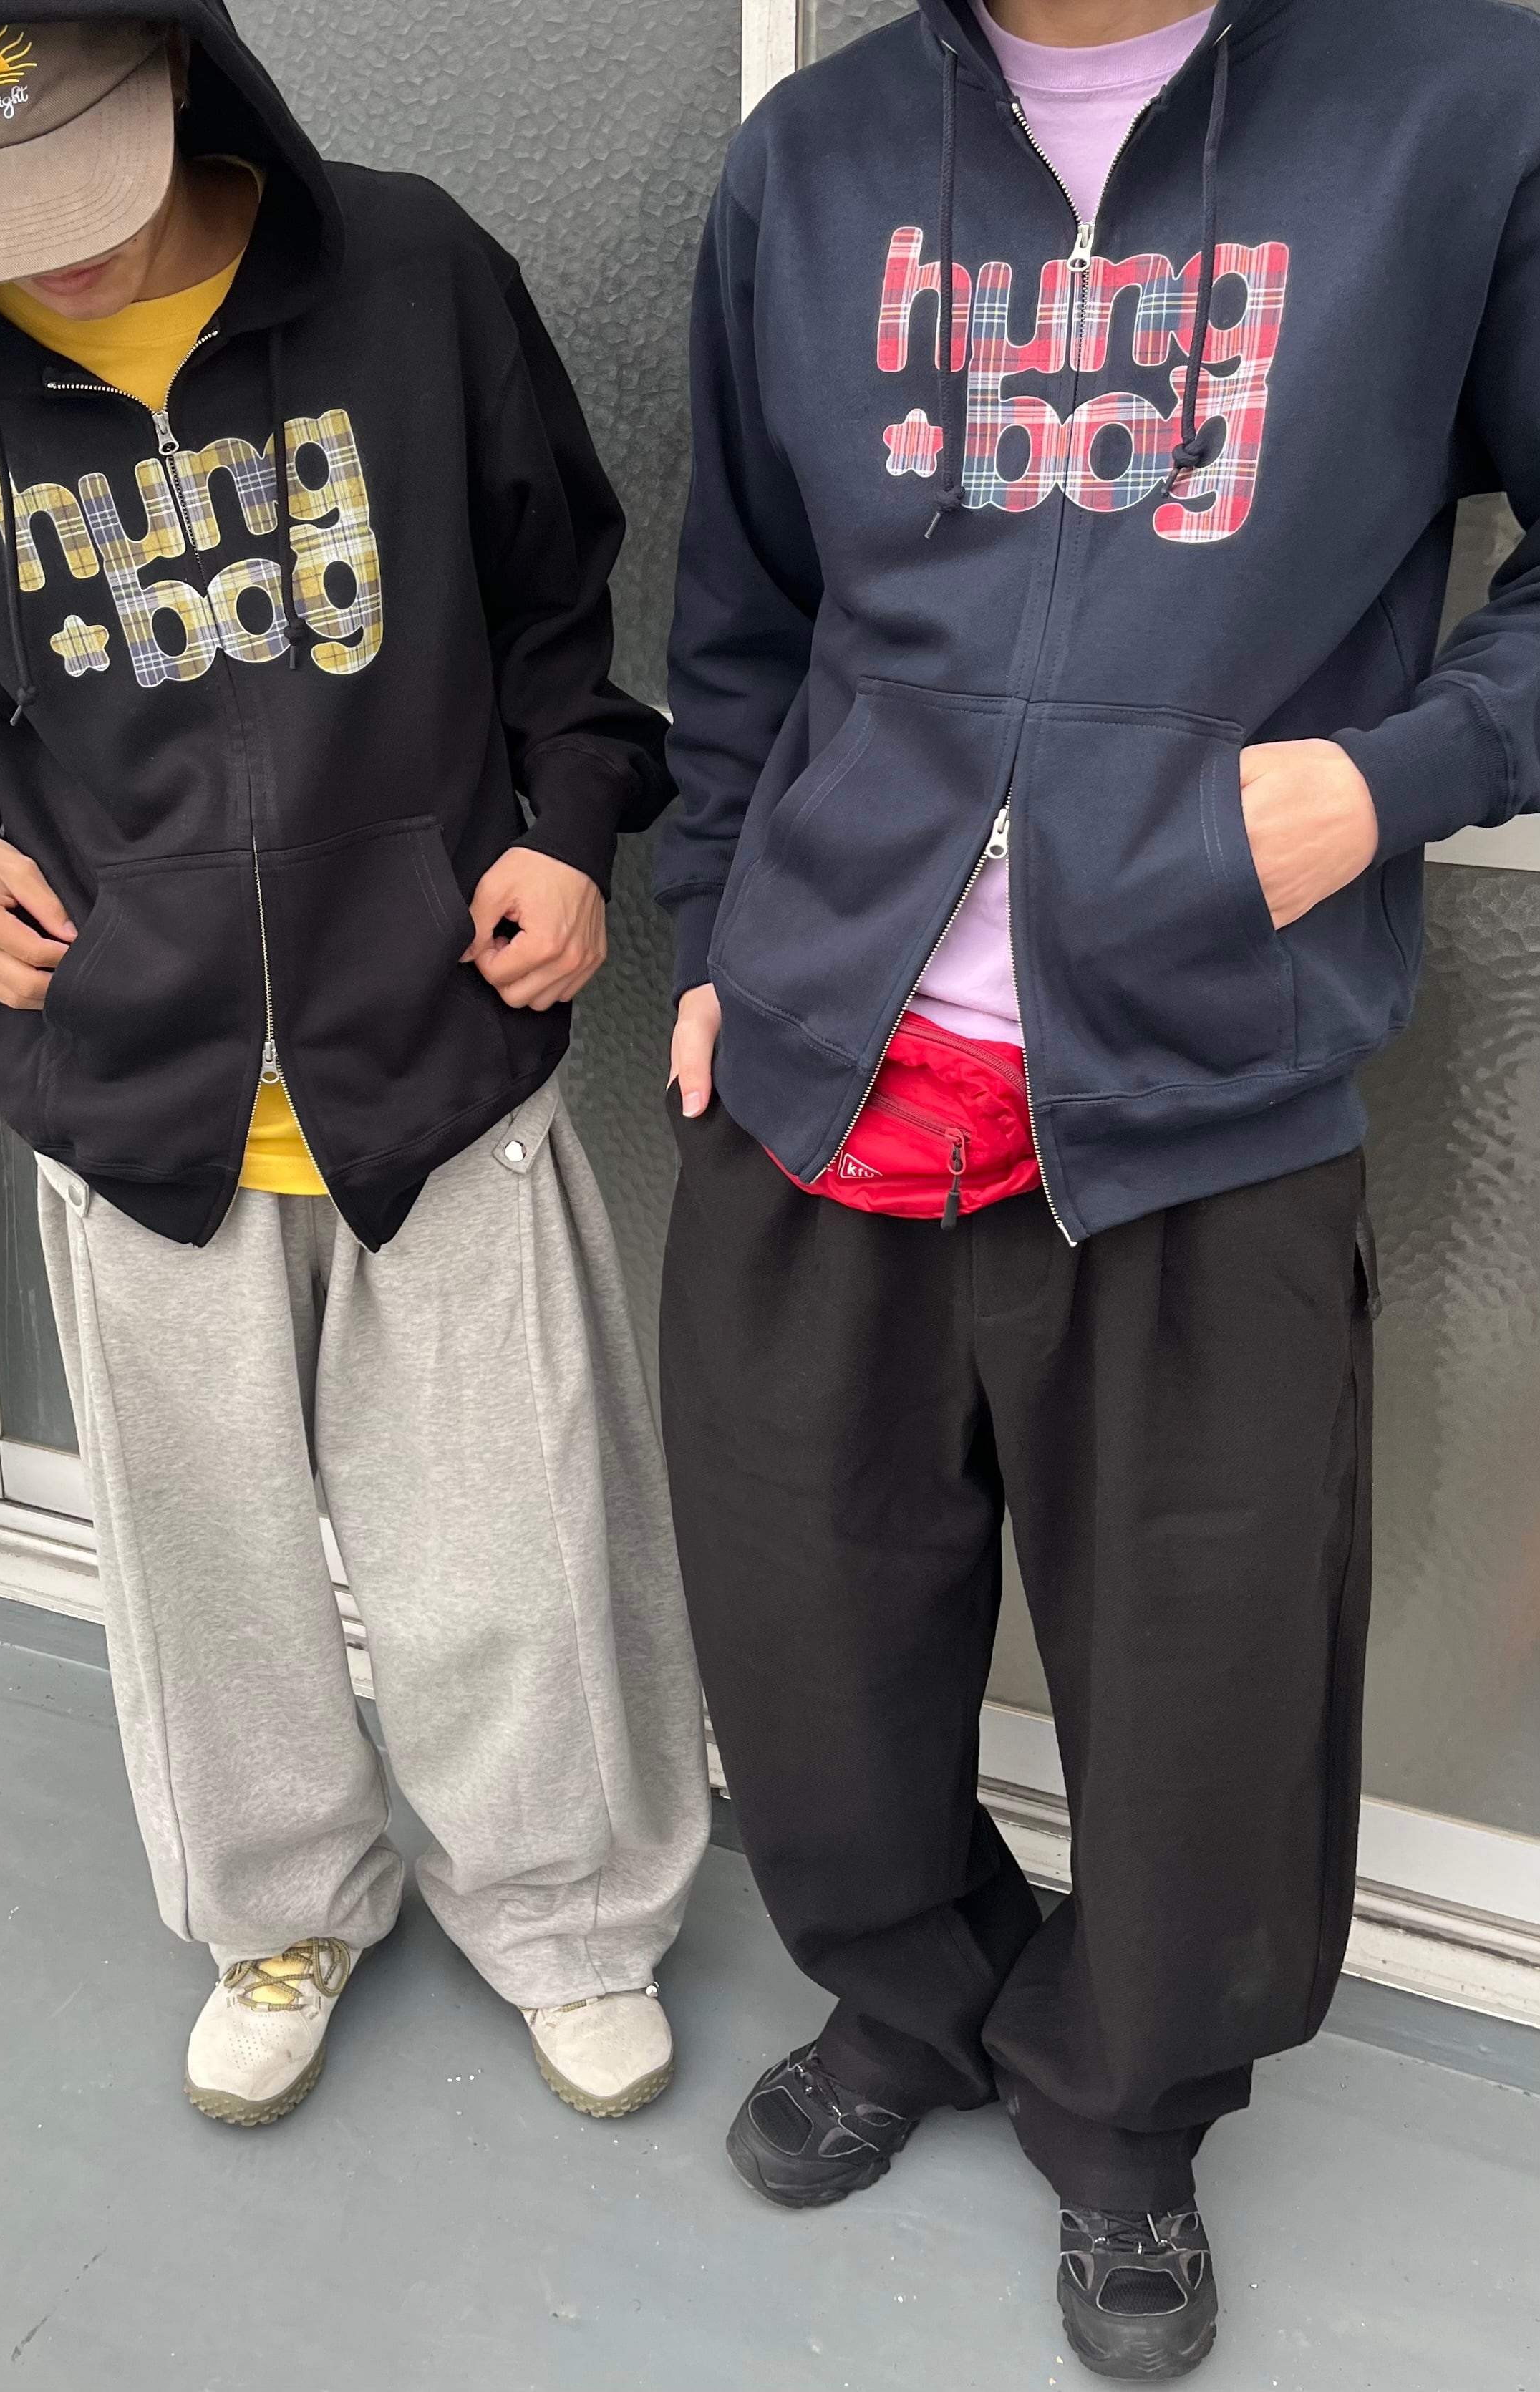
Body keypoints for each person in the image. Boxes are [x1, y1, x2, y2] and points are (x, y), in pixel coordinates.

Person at [655, 0, 1540, 2375]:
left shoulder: (1456, 110)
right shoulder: (816, 153)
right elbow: (739, 611)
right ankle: (909, 1997)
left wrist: (1394, 775)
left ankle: (1128, 2111)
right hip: (825, 1053)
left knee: (1201, 1671)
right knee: (806, 1626)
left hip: (1197, 1081)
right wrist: (714, 930)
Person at [0, 2, 711, 2134]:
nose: (41, 254)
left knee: (511, 1549)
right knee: (212, 1578)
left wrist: (569, 833)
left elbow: (558, 618)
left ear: (179, 68)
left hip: (436, 1056)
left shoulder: (413, 274)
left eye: (65, 185)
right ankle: (279, 1907)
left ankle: (561, 1911)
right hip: (134, 1088)